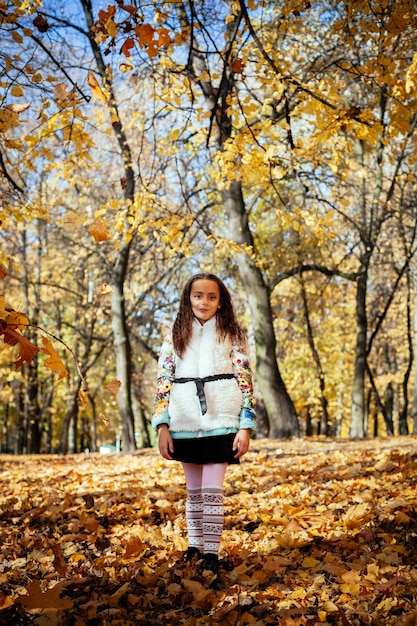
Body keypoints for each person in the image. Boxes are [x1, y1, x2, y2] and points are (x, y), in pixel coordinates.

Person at [152, 272, 256, 586]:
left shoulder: (233, 333)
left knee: (212, 492)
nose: (204, 302)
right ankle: (194, 547)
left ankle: (211, 553)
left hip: (221, 419)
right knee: (193, 492)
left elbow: (245, 379)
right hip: (184, 419)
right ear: (188, 299)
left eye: (211, 297)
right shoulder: (174, 335)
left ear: (220, 300)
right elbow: (163, 382)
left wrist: (245, 424)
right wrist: (162, 425)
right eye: (198, 296)